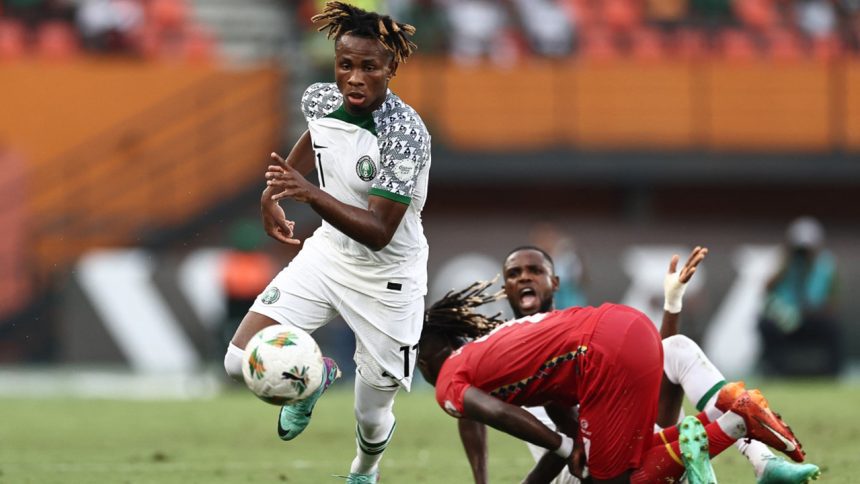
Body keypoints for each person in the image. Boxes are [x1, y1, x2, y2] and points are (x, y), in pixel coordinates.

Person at [222, 3, 430, 483]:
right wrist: (273, 194)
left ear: (390, 69)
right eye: (345, 65)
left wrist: (308, 193)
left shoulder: (404, 135)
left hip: (389, 279)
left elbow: (378, 232)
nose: (354, 78)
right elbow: (314, 143)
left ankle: (363, 472)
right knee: (237, 362)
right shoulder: (319, 99)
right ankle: (316, 378)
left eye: (369, 67)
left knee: (371, 416)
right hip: (328, 255)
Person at [417, 254, 809, 483]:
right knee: (623, 457)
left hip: (600, 391)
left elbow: (504, 414)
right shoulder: (505, 349)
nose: (524, 278)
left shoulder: (533, 342)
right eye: (515, 274)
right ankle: (718, 434)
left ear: (555, 281)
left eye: (534, 270)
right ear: (505, 288)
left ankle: (748, 445)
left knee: (676, 349)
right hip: (609, 357)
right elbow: (493, 415)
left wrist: (672, 304)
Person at [759, 216, 843, 377]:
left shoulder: (827, 265)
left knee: (833, 327)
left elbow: (833, 301)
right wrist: (783, 266)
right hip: (785, 318)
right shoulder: (782, 261)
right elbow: (766, 291)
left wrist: (814, 312)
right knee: (765, 324)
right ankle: (773, 370)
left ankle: (832, 373)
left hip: (814, 318)